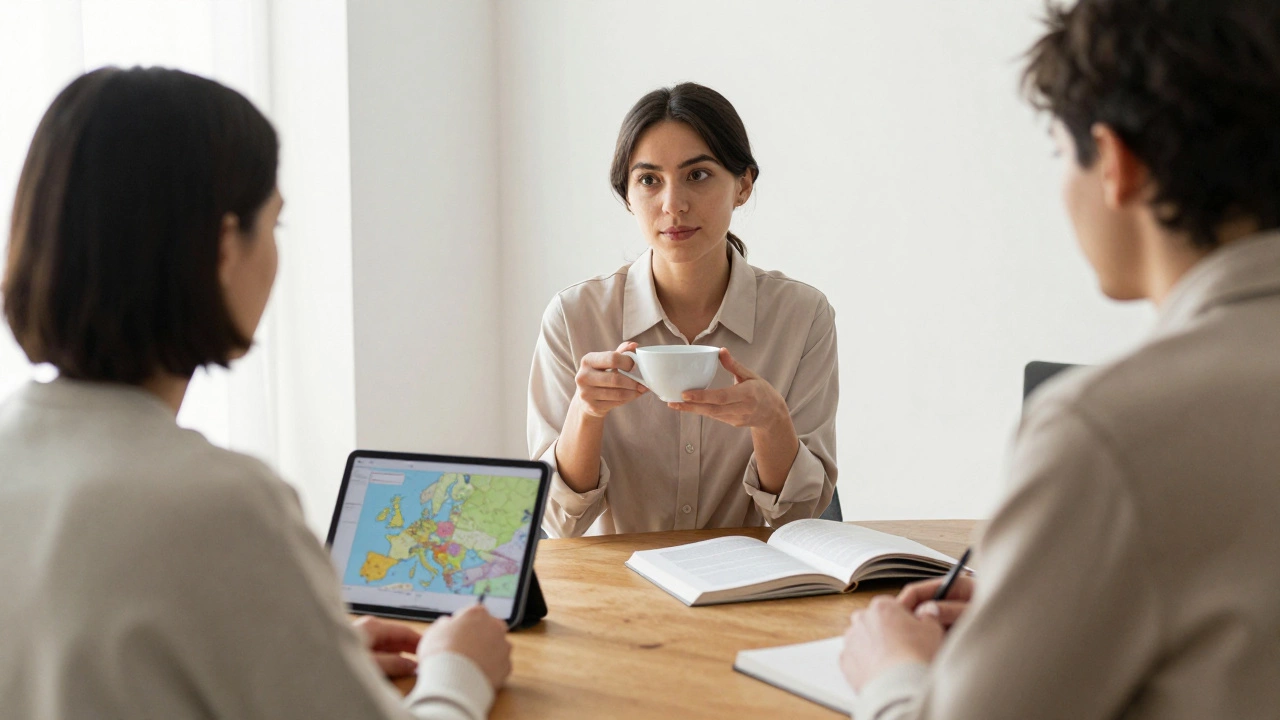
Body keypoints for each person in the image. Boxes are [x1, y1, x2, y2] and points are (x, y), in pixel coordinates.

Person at [0, 67, 510, 719]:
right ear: (222, 247)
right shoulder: (219, 506)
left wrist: (306, 653)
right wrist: (458, 672)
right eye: (275, 225)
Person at [839, 1, 1280, 718]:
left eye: (1056, 151)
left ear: (1114, 162)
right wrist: (1043, 604)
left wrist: (892, 671)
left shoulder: (1107, 432)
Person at [527, 83, 839, 538]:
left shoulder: (803, 316)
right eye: (649, 180)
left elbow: (803, 522)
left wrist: (771, 422)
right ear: (628, 196)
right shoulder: (573, 318)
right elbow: (557, 526)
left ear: (743, 185)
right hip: (614, 592)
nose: (673, 205)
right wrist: (586, 414)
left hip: (747, 589)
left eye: (697, 175)